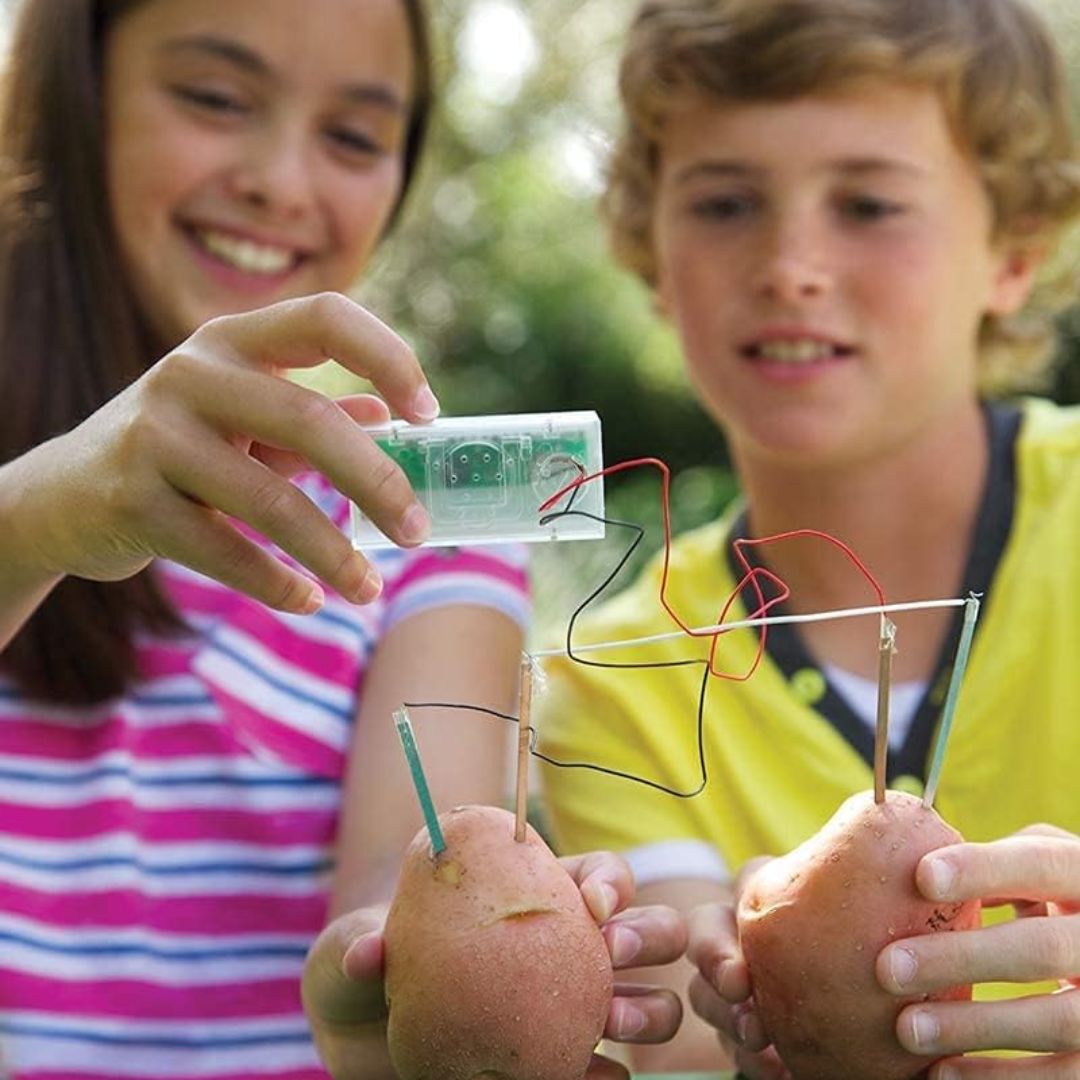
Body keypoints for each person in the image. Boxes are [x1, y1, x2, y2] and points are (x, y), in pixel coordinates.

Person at [0, 1, 684, 1077]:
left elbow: (401, 882)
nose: (282, 179)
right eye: (217, 98)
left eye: (355, 134)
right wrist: (41, 517)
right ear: (73, 96)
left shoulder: (426, 528)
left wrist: (402, 990)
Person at [537, 0, 1080, 1074]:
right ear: (653, 250)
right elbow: (687, 1053)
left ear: (1013, 251)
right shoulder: (620, 679)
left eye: (871, 203)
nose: (790, 263)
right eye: (727, 201)